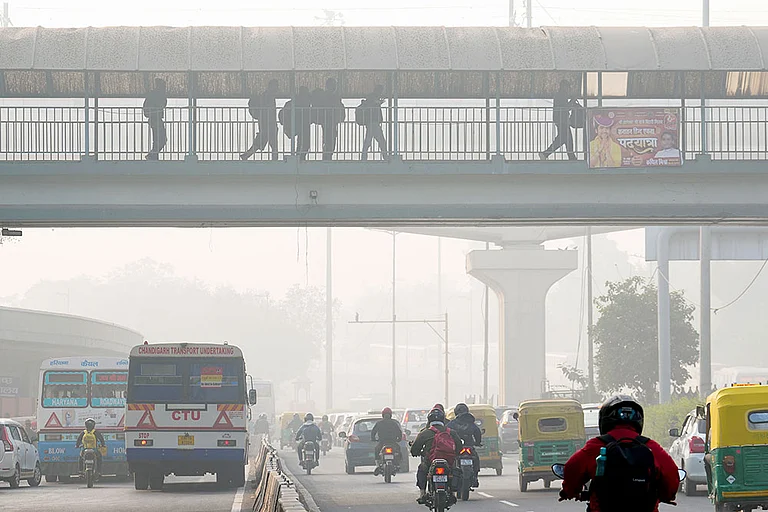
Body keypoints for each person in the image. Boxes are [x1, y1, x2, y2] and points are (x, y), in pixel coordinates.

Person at [559, 395, 680, 512]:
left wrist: (569, 491)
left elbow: (572, 469)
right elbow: (671, 475)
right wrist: (667, 495)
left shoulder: (595, 446)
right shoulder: (651, 447)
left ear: (604, 419)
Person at [410, 408, 462, 504]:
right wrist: (454, 454)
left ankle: (422, 493)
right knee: (455, 470)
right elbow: (459, 447)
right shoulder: (451, 432)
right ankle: (453, 493)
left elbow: (415, 449)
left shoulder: (425, 433)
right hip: (449, 462)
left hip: (430, 462)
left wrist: (416, 453)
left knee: (422, 469)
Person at [241, 79, 280, 161]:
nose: (277, 88)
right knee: (273, 145)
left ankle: (246, 155)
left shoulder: (265, 95)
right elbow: (268, 110)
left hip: (265, 124)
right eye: (276, 86)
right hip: (269, 124)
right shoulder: (268, 96)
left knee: (260, 142)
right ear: (271, 86)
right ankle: (275, 161)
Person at [540, 80, 577, 161]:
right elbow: (565, 108)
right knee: (563, 139)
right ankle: (546, 153)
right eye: (567, 87)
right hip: (562, 121)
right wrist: (573, 101)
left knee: (566, 139)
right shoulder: (561, 96)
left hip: (561, 120)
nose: (568, 89)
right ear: (564, 87)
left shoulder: (560, 95)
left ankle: (571, 157)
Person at [446, 403, 482, 486]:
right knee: (476, 459)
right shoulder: (471, 422)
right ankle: (475, 477)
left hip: (457, 448)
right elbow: (477, 433)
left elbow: (446, 432)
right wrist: (478, 442)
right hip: (469, 446)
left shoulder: (452, 423)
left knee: (451, 461)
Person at [314, 78, 345, 161]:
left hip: (330, 122)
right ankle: (327, 157)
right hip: (329, 121)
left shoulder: (328, 96)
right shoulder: (329, 96)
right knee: (329, 141)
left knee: (329, 140)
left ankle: (327, 157)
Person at [370, 407, 404, 474]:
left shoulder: (379, 423)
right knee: (398, 450)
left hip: (383, 443)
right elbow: (399, 432)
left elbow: (373, 432)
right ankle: (398, 464)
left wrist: (373, 439)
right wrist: (399, 439)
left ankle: (378, 465)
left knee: (377, 450)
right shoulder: (394, 423)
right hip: (392, 442)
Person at [359, 84, 388, 161]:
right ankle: (385, 156)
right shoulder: (372, 97)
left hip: (372, 122)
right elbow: (372, 104)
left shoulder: (373, 97)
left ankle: (364, 157)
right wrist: (379, 103)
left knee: (369, 140)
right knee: (380, 141)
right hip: (373, 122)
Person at [143, 77, 167, 160]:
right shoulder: (158, 94)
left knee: (158, 139)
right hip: (156, 119)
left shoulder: (153, 94)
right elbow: (162, 104)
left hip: (154, 119)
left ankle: (153, 155)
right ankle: (152, 155)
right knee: (161, 139)